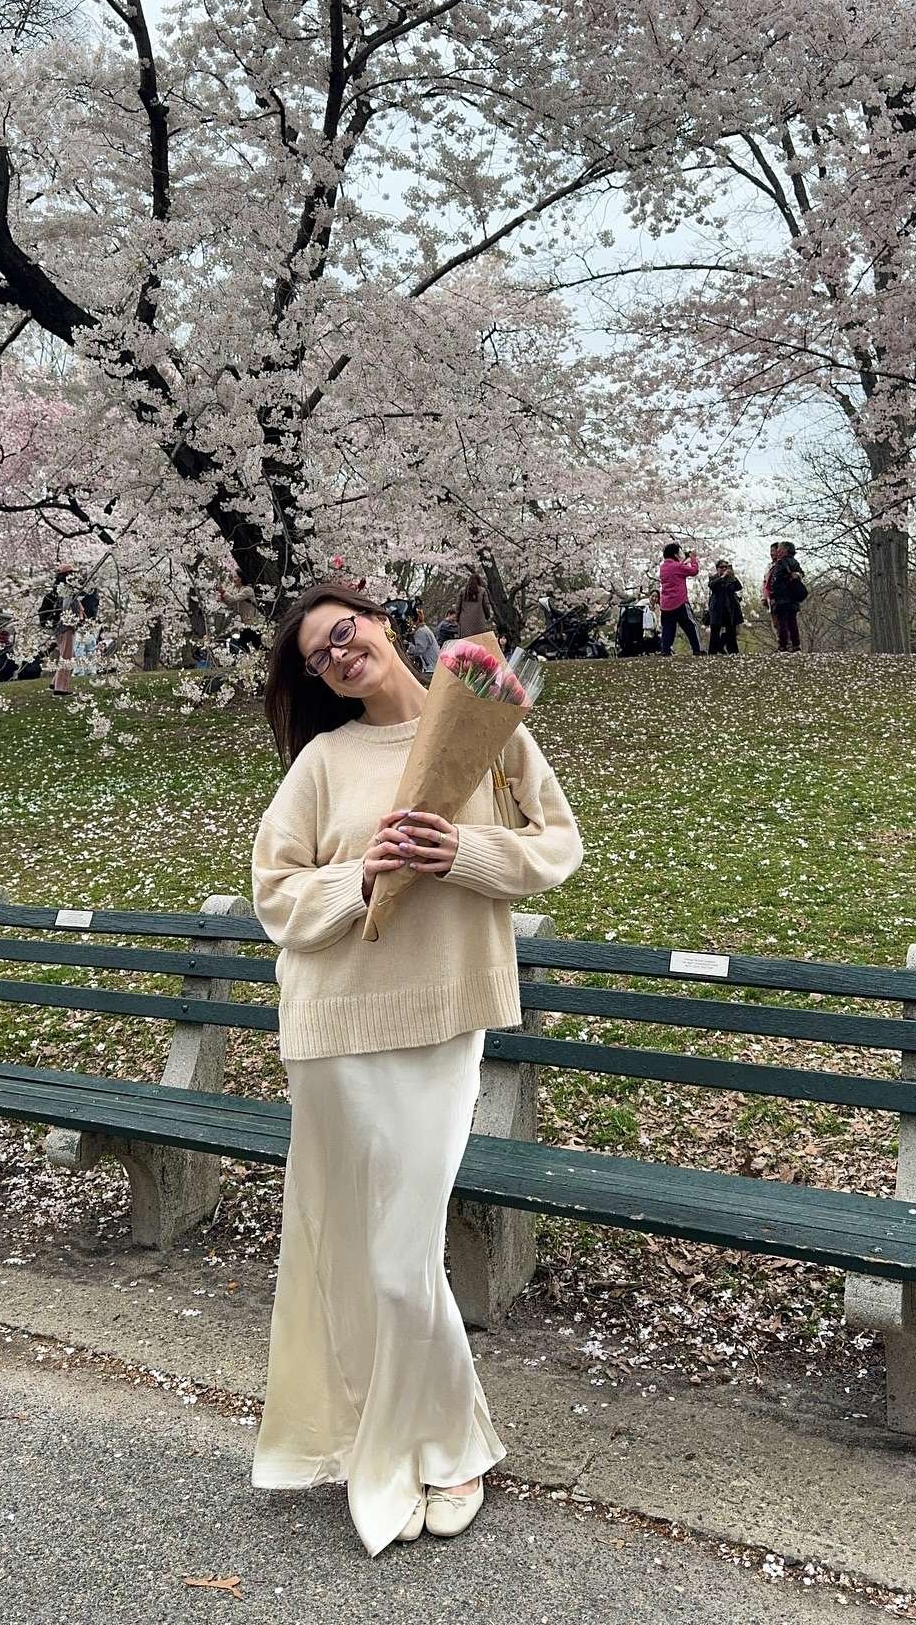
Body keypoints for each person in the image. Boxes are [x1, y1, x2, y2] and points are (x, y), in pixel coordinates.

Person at [250, 582, 582, 1555]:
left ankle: (443, 1439)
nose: (339, 656)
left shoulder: (483, 722)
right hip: (333, 1022)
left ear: (383, 623)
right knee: (361, 1252)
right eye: (319, 656)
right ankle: (444, 1444)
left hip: (442, 1017)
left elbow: (557, 845)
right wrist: (359, 879)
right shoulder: (322, 759)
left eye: (345, 633)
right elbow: (273, 893)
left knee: (402, 1259)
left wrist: (462, 852)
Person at [40, 565, 79, 696]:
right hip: (65, 626)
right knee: (67, 657)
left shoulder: (56, 590)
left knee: (67, 655)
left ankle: (55, 682)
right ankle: (60, 688)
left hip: (59, 627)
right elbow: (67, 609)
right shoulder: (66, 591)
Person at [658, 543, 701, 655]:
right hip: (680, 602)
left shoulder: (663, 567)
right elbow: (694, 571)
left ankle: (665, 651)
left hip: (666, 604)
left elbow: (677, 568)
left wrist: (684, 561)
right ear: (675, 554)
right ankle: (697, 650)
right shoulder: (677, 566)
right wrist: (693, 559)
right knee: (691, 626)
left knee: (667, 629)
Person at [767, 541, 806, 652]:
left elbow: (776, 582)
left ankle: (783, 646)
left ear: (785, 550)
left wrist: (773, 596)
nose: (777, 552)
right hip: (793, 597)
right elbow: (801, 573)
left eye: (779, 549)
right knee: (793, 623)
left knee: (782, 623)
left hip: (782, 599)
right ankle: (796, 645)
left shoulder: (780, 563)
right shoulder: (795, 562)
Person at [706, 560, 743, 655]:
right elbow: (711, 585)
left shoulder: (731, 578)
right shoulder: (714, 578)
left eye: (726, 567)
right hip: (717, 607)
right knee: (715, 631)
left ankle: (733, 651)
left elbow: (739, 587)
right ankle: (712, 652)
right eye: (721, 567)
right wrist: (722, 577)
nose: (724, 569)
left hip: (729, 607)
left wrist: (733, 576)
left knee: (731, 631)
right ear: (717, 568)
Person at [455, 572, 492, 638]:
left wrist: (457, 618)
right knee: (478, 642)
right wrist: (487, 616)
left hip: (465, 621)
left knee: (465, 642)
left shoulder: (463, 591)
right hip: (479, 620)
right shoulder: (482, 591)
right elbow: (486, 605)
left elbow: (458, 606)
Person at [408, 603, 441, 674]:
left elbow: (419, 650)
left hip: (430, 668)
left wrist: (409, 646)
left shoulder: (421, 632)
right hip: (433, 666)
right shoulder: (423, 629)